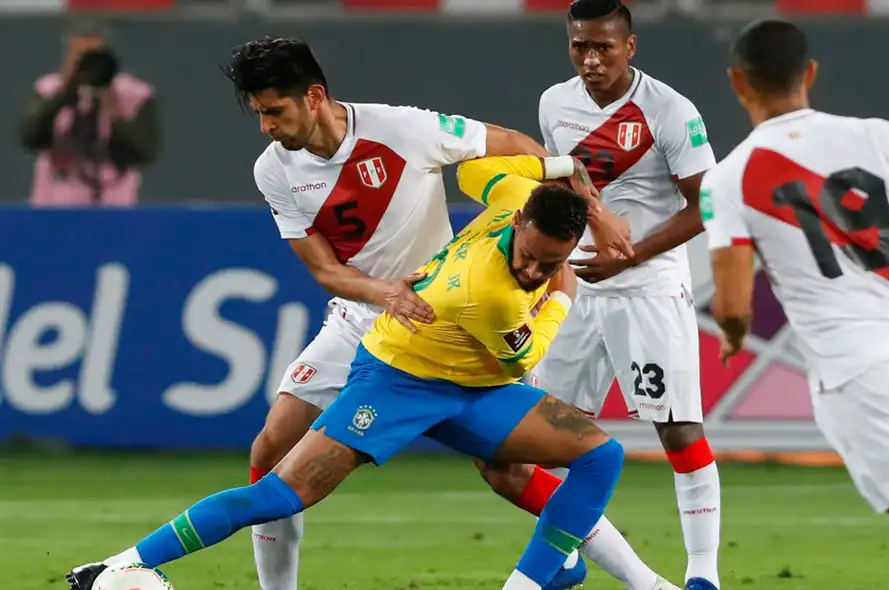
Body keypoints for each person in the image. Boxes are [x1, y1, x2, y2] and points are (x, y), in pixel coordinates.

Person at [65, 154, 632, 590]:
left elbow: (479, 169)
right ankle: (123, 566)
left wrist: (561, 168)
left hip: (466, 386)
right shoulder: (488, 292)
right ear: (522, 222)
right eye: (529, 255)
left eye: (549, 263)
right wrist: (564, 291)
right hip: (398, 378)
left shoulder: (517, 200)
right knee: (280, 495)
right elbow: (523, 358)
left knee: (600, 455)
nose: (533, 269)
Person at [701, 18, 889, 590]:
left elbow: (734, 302)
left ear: (738, 82)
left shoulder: (729, 177)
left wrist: (736, 336)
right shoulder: (878, 135)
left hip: (855, 364)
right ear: (810, 73)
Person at [483, 2, 723, 589]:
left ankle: (702, 575)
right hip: (575, 290)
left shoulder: (670, 110)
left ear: (630, 46)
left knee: (678, 429)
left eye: (604, 48)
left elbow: (709, 204)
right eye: (579, 47)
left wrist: (632, 254)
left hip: (648, 288)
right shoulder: (553, 103)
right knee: (539, 438)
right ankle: (565, 557)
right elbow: (565, 180)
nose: (591, 60)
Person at [19, 17, 159, 206]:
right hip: (54, 206)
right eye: (80, 57)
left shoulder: (134, 95)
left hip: (116, 207)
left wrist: (112, 108)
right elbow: (29, 138)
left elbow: (144, 151)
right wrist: (63, 96)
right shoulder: (47, 90)